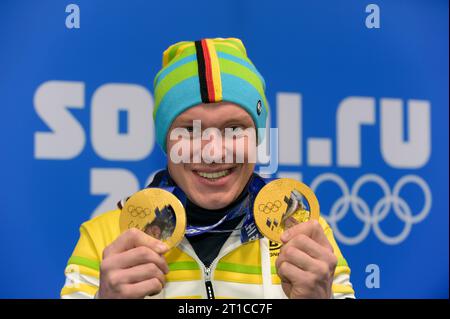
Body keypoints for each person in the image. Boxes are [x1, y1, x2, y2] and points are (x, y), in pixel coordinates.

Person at [60, 38, 355, 299]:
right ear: (166, 140)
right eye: (190, 130)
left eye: (234, 129)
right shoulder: (105, 238)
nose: (213, 152)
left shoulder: (307, 235)